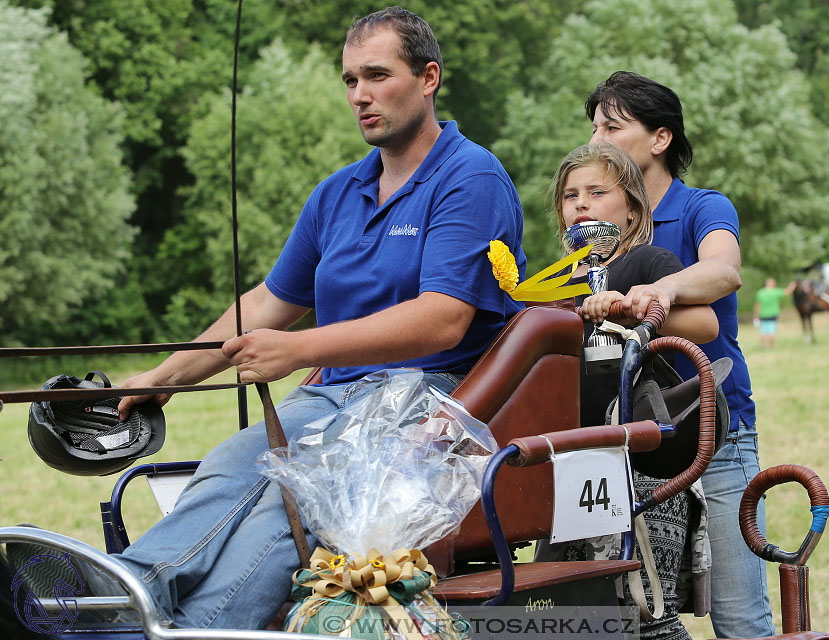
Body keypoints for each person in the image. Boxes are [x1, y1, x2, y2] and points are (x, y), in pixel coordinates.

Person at [81, 7, 524, 630]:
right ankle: (124, 589)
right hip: (334, 395)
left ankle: (179, 621)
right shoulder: (338, 193)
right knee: (231, 466)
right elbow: (264, 304)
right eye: (349, 80)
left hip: (432, 405)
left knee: (288, 506)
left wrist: (300, 349)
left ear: (428, 78)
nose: (360, 96)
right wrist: (163, 380)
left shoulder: (472, 177)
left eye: (376, 75)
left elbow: (443, 319)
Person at [585, 71, 776, 638]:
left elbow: (723, 269)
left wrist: (663, 291)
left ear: (660, 138)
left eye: (612, 127)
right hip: (631, 439)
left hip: (712, 426)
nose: (596, 141)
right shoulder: (600, 228)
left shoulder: (700, 207)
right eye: (593, 127)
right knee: (634, 611)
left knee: (738, 613)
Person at [540, 142, 717, 640]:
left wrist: (634, 307)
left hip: (642, 458)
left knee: (646, 609)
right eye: (570, 195)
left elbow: (703, 324)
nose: (581, 203)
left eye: (597, 192)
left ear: (632, 208)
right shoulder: (557, 285)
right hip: (576, 457)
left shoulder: (646, 263)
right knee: (575, 611)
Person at [753, 278, 797, 349]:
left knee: (763, 331)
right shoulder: (775, 291)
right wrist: (793, 285)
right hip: (772, 315)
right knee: (772, 331)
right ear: (772, 284)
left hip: (763, 315)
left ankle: (763, 346)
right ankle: (771, 346)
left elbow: (758, 305)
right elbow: (788, 291)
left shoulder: (760, 292)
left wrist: (755, 316)